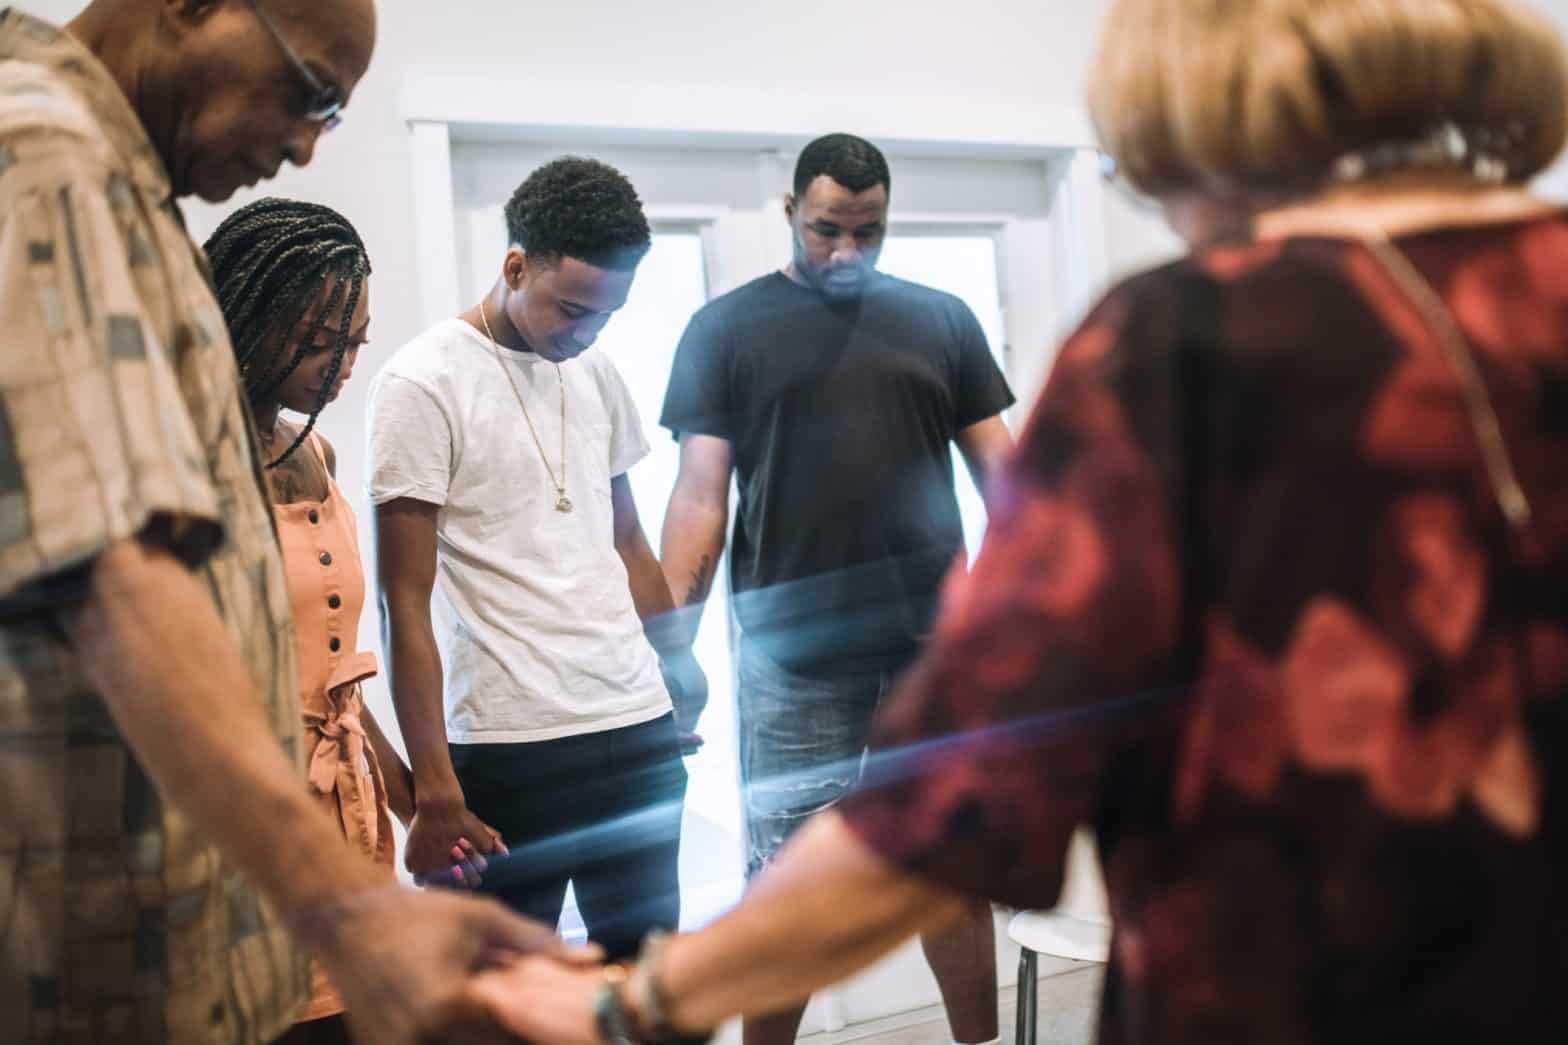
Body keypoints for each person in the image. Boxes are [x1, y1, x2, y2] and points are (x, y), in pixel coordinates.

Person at [468, 1, 1568, 1043]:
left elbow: (950, 811)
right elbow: (696, 498)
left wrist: (632, 1002)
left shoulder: (1187, 336)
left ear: (1206, 123)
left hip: (1295, 987)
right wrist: (678, 647)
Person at [0, 4, 567, 1045]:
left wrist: (399, 804)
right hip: (117, 921)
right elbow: (115, 577)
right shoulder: (48, 158)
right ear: (192, 9)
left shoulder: (117, 184)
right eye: (309, 93)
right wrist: (347, 910)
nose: (304, 144)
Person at [656, 132, 1014, 1045]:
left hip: (932, 653)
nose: (848, 252)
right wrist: (668, 650)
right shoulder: (726, 330)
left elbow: (1006, 481)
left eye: (870, 232)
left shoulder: (942, 321)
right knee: (786, 889)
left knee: (948, 878)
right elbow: (699, 497)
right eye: (827, 231)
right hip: (792, 663)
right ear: (789, 213)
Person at [368, 156, 703, 962]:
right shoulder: (422, 381)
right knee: (500, 990)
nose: (586, 332)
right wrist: (434, 786)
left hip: (635, 726)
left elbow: (626, 540)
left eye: (607, 314)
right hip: (509, 745)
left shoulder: (595, 371)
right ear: (516, 266)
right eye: (571, 309)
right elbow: (401, 600)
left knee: (647, 976)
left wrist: (678, 666)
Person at [204, 197, 490, 1044]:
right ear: (246, 314)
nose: (344, 364)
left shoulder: (316, 454)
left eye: (356, 339)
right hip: (244, 829)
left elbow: (333, 675)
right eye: (321, 339)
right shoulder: (193, 463)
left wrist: (412, 805)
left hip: (346, 819)